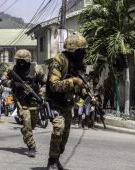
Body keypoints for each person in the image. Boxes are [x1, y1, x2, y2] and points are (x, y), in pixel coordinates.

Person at [46, 34, 87, 170]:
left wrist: (86, 94)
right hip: (54, 101)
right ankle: (51, 161)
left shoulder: (79, 64)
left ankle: (56, 158)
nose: (83, 53)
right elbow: (54, 85)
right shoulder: (59, 60)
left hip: (67, 104)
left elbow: (81, 86)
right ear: (72, 50)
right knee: (59, 129)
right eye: (80, 51)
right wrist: (73, 81)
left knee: (64, 137)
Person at [5, 49, 45, 157]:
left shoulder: (36, 69)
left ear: (29, 60)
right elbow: (5, 81)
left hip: (34, 100)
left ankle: (26, 132)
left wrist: (41, 92)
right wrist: (13, 82)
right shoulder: (12, 69)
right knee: (27, 122)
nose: (21, 63)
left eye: (24, 61)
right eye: (19, 61)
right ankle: (31, 146)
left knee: (32, 124)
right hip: (20, 100)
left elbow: (45, 83)